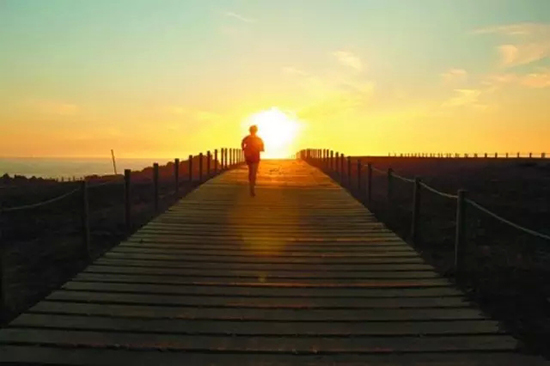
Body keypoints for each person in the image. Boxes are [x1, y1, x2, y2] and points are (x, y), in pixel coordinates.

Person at [241, 125, 264, 196]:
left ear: (250, 131)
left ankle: (251, 184)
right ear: (256, 131)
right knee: (254, 172)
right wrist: (259, 149)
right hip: (255, 157)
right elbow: (262, 147)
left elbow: (242, 144)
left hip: (248, 156)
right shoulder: (259, 139)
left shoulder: (246, 138)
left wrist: (244, 149)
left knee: (250, 171)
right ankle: (252, 186)